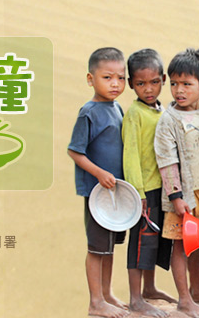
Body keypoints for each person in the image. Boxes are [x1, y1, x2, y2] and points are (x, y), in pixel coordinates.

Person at [154, 47, 199, 318]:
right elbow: (166, 160)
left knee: (198, 242)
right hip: (182, 195)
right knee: (180, 244)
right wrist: (176, 197)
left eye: (187, 84)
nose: (179, 90)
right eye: (175, 83)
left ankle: (197, 290)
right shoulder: (168, 120)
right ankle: (183, 299)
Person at [68, 47, 129, 318]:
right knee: (96, 247)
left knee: (109, 244)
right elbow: (75, 151)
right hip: (97, 192)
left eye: (121, 78)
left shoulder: (117, 108)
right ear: (91, 79)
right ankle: (95, 302)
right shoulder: (89, 112)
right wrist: (98, 173)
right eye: (107, 77)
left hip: (116, 192)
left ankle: (107, 293)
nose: (115, 84)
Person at [121, 48, 173, 318]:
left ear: (163, 79)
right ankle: (135, 298)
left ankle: (150, 288)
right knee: (140, 241)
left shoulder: (162, 111)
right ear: (131, 84)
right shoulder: (135, 114)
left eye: (154, 82)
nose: (148, 89)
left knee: (155, 241)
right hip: (144, 189)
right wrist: (137, 192)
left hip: (162, 188)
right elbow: (130, 155)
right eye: (141, 84)